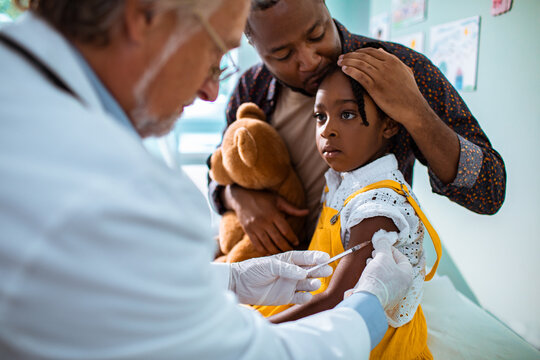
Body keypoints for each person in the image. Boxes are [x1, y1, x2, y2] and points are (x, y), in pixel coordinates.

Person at [0, 0, 414, 359]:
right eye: (215, 54)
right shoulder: (117, 194)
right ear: (144, 15)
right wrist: (371, 306)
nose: (212, 92)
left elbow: (89, 287)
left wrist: (230, 280)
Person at [208, 0, 506, 256]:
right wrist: (237, 197)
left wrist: (415, 111)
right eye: (283, 55)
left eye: (317, 34)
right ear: (253, 43)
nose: (309, 61)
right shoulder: (253, 86)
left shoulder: (401, 69)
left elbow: (488, 190)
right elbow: (218, 169)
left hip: (358, 281)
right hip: (275, 272)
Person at [254, 64, 439, 359]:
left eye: (347, 114)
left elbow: (337, 300)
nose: (327, 129)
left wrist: (259, 336)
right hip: (327, 305)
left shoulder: (377, 207)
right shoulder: (344, 181)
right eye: (320, 116)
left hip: (369, 336)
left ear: (388, 125)